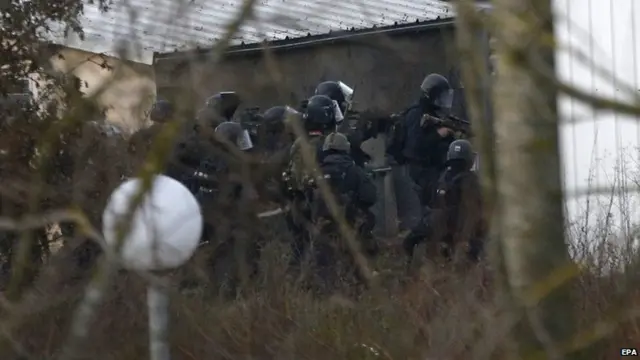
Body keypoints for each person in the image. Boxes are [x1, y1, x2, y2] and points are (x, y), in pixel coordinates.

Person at [308, 132, 379, 290]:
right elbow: (370, 196)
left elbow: (308, 198)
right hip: (349, 224)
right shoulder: (353, 170)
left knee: (323, 263)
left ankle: (325, 292)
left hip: (322, 225)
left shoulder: (316, 172)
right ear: (345, 149)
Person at [402, 139, 484, 268]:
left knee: (409, 241)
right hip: (461, 228)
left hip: (437, 224)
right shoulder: (472, 181)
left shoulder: (443, 177)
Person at [283, 94, 338, 272]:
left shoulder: (299, 142)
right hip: (312, 201)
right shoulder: (323, 144)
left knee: (300, 246)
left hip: (296, 201)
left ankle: (296, 282)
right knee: (319, 249)